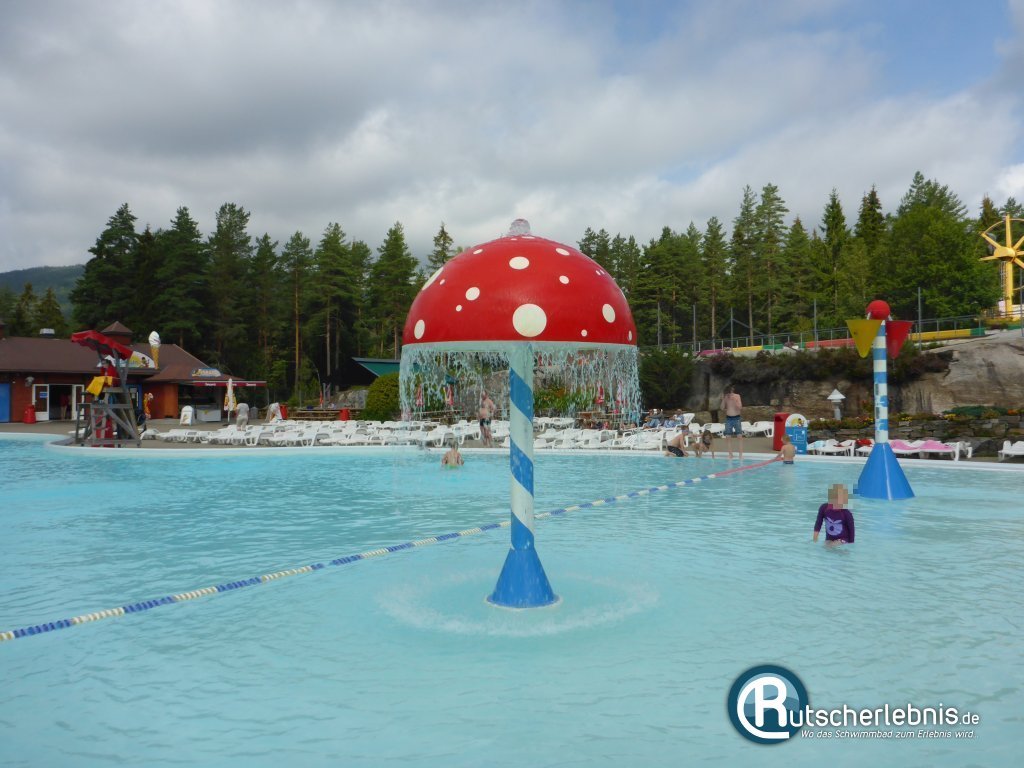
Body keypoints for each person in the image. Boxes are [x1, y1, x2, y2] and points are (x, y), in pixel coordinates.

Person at [720, 384, 743, 460]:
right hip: (728, 419)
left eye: (730, 392)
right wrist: (723, 399)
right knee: (728, 437)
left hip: (737, 418)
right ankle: (730, 454)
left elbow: (740, 407)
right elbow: (722, 408)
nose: (729, 394)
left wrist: (734, 400)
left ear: (732, 390)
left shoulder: (737, 396)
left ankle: (740, 455)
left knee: (739, 437)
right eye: (728, 393)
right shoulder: (726, 397)